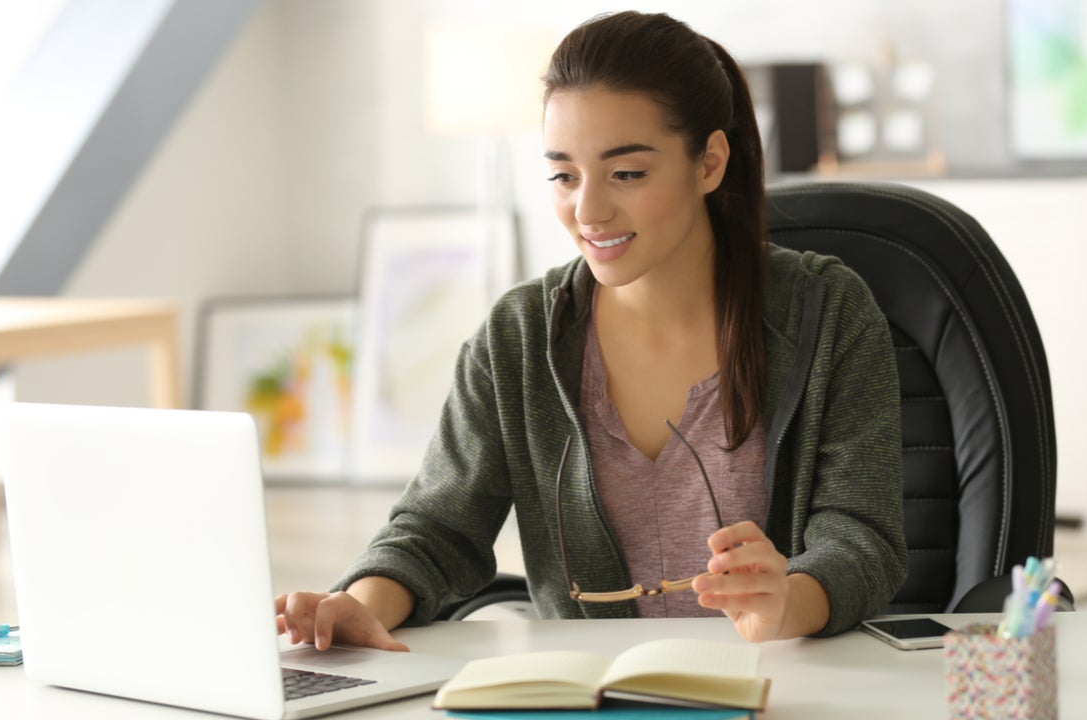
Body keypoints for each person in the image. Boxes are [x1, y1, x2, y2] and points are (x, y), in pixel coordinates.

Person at [276, 10, 906, 651]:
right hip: (590, 697)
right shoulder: (517, 337)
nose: (588, 210)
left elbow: (862, 537)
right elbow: (437, 529)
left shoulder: (828, 313)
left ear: (710, 161)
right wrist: (358, 606)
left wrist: (787, 603)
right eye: (563, 175)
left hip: (790, 686)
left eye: (626, 173)